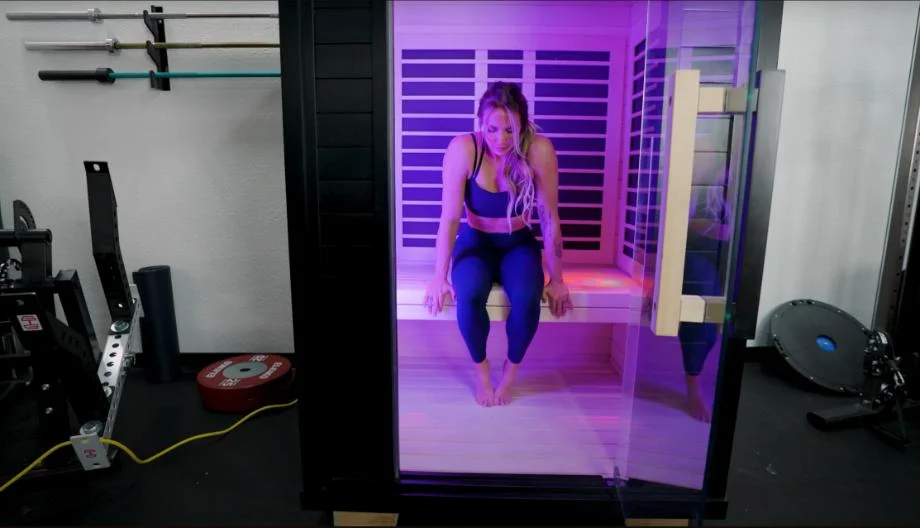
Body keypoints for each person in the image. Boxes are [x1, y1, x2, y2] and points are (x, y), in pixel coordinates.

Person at [423, 81, 573, 407]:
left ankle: (510, 371)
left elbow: (549, 218)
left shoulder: (539, 149)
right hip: (476, 243)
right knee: (470, 294)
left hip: (517, 244)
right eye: (492, 129)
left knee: (526, 298)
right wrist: (438, 276)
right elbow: (449, 219)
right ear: (481, 122)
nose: (501, 140)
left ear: (523, 124)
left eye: (510, 131)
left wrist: (558, 279)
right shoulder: (464, 149)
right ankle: (481, 370)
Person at [679, 186, 731, 422]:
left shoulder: (734, 175)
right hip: (697, 247)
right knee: (701, 314)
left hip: (728, 248)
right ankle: (694, 386)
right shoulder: (702, 176)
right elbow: (686, 221)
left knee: (717, 320)